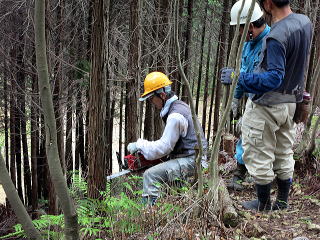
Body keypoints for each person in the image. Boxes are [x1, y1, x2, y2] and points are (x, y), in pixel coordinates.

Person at [221, 0, 312, 211]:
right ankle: (282, 202)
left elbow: (273, 78)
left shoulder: (275, 36)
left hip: (268, 105)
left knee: (258, 152)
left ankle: (263, 205)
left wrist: (238, 78)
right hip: (290, 103)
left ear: (269, 4)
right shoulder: (303, 22)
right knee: (283, 152)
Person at [127, 71, 208, 205]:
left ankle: (148, 214)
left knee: (150, 175)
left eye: (152, 98)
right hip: (190, 157)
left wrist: (139, 145)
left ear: (162, 95)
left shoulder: (175, 116)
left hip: (193, 161)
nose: (152, 102)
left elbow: (163, 147)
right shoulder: (178, 107)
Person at [227, 0, 271, 191]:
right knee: (246, 133)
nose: (240, 33)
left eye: (241, 28)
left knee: (262, 139)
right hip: (252, 100)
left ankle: (262, 178)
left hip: (268, 101)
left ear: (250, 26)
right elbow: (241, 73)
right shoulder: (249, 45)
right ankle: (240, 172)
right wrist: (236, 98)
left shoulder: (271, 43)